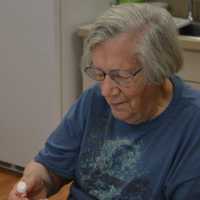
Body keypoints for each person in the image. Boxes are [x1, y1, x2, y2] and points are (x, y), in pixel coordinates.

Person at [9, 3, 200, 200]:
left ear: (159, 70)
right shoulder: (94, 100)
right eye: (100, 72)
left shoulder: (192, 126)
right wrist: (35, 181)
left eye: (121, 75)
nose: (106, 91)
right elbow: (49, 166)